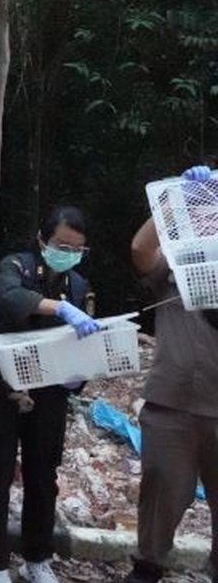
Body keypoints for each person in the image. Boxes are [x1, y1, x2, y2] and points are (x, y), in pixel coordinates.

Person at [0, 205, 99, 583]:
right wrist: (60, 309)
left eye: (77, 250)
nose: (67, 254)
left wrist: (77, 378)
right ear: (43, 240)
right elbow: (7, 298)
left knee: (42, 475)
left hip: (49, 391)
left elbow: (81, 344)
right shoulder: (16, 266)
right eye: (61, 245)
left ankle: (37, 556)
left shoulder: (79, 286)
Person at [123, 164, 218, 583]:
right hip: (172, 405)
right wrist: (176, 196)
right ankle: (148, 565)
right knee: (161, 492)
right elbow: (141, 251)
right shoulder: (179, 266)